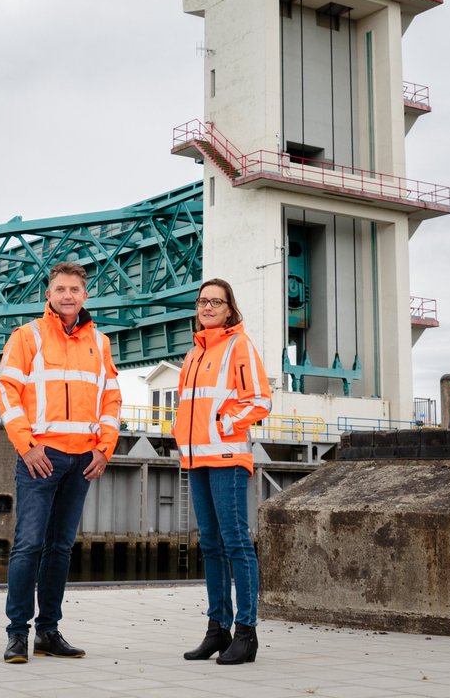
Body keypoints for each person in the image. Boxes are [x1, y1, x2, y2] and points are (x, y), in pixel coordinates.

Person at [0, 262, 121, 664]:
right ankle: (17, 635)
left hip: (82, 458)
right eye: (60, 289)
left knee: (60, 548)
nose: (68, 295)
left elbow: (111, 398)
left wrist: (105, 448)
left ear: (86, 296)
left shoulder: (100, 343)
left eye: (75, 289)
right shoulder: (27, 336)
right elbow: (7, 391)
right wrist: (26, 446)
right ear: (48, 294)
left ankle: (48, 632)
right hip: (41, 457)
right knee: (29, 545)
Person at [174, 278, 272, 665]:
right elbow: (187, 405)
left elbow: (260, 400)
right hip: (196, 459)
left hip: (227, 458)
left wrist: (223, 424)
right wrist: (180, 433)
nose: (209, 306)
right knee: (210, 545)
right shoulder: (193, 354)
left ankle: (246, 633)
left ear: (230, 309)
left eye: (217, 301)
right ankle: (218, 630)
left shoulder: (239, 345)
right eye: (203, 301)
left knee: (236, 544)